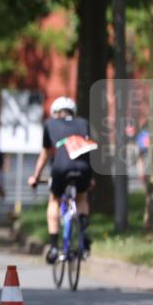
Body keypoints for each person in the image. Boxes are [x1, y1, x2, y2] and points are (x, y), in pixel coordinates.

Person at [27, 96, 94, 263]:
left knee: (54, 200)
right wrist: (91, 177)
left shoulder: (50, 124)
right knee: (82, 197)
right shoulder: (83, 123)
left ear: (55, 113)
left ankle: (53, 247)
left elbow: (45, 153)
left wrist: (36, 176)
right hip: (84, 168)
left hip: (61, 167)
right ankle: (83, 233)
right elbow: (89, 148)